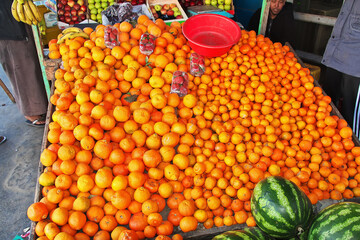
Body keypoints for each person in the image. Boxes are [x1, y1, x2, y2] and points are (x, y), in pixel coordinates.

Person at [0, 0, 48, 127]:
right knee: (20, 68)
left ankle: (41, 106)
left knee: (31, 64)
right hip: (7, 27)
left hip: (19, 21)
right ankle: (32, 114)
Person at [321, 0, 360, 137]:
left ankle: (353, 152)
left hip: (355, 65)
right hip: (335, 57)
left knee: (350, 114)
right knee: (326, 107)